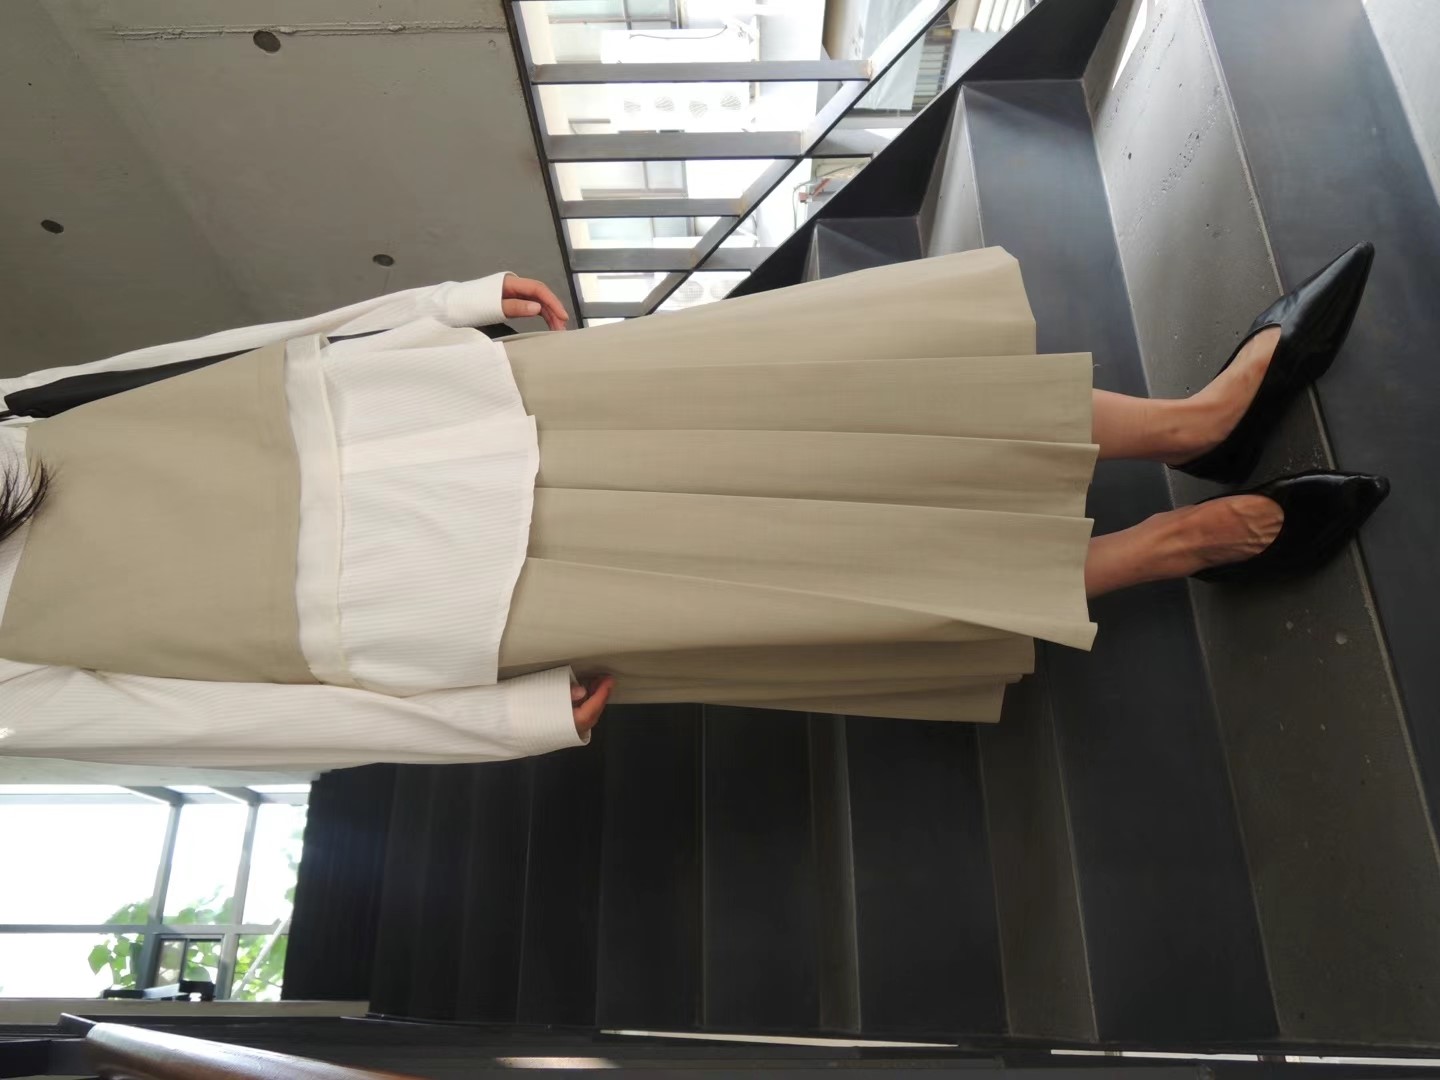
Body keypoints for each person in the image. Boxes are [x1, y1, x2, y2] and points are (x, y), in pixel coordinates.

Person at [0, 243, 1386, 771]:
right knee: (804, 568)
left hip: (398, 408)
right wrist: (489, 726)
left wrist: (433, 306)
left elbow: (148, 378)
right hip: (413, 596)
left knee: (828, 398)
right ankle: (1169, 547)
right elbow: (174, 719)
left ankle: (1195, 425)